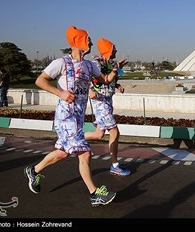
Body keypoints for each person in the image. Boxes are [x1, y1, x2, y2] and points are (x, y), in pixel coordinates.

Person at [24, 26, 120, 207]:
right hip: (65, 117)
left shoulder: (89, 65)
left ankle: (34, 171)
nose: (91, 42)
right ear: (78, 42)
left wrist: (115, 70)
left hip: (78, 117)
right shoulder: (61, 63)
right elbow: (40, 81)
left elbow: (105, 81)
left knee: (62, 153)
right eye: (88, 39)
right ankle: (94, 194)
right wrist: (60, 93)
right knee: (84, 153)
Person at [85, 38, 131, 176]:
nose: (116, 50)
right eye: (114, 48)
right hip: (100, 102)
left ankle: (73, 138)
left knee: (98, 135)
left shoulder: (110, 64)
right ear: (108, 50)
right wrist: (89, 90)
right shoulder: (96, 64)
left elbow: (109, 80)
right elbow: (85, 78)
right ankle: (115, 165)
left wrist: (118, 85)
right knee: (114, 132)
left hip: (108, 101)